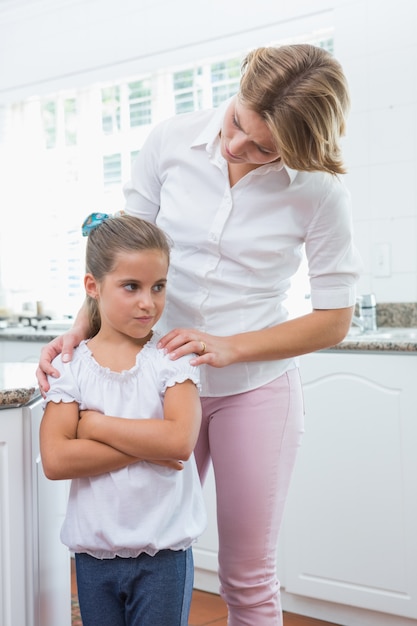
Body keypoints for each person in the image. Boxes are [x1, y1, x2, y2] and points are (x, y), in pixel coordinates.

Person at [37, 44, 362, 626]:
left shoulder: (319, 192)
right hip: (156, 378)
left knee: (247, 571)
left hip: (253, 389)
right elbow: (123, 252)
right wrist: (76, 330)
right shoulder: (169, 140)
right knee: (149, 542)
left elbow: (334, 317)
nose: (237, 146)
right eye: (237, 122)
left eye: (265, 147)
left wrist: (230, 347)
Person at [39, 212, 206, 626]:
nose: (148, 302)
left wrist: (93, 427)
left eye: (158, 287)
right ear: (93, 286)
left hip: (164, 555)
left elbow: (178, 443)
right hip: (94, 557)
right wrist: (148, 447)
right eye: (131, 287)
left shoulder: (172, 359)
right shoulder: (71, 365)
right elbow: (57, 459)